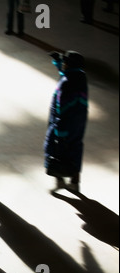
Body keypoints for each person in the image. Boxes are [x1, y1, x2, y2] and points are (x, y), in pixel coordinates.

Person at [44, 51, 89, 193]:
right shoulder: (80, 76)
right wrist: (57, 62)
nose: (63, 64)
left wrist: (59, 132)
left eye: (64, 62)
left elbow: (63, 109)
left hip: (62, 125)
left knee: (54, 151)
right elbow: (68, 73)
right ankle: (75, 183)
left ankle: (60, 182)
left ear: (68, 64)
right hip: (78, 123)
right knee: (75, 149)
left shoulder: (66, 84)